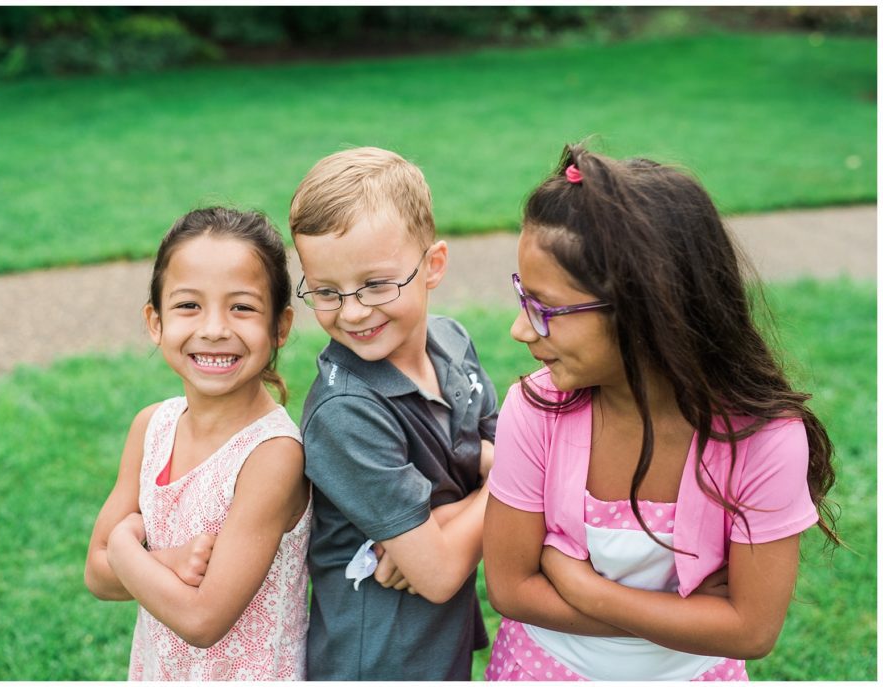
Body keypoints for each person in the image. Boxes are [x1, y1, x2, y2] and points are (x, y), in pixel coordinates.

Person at [483, 144, 839, 682]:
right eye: (522, 298)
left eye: (545, 308)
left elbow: (751, 632)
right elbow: (511, 590)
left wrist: (584, 589)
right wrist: (698, 619)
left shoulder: (764, 439)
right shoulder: (536, 410)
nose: (520, 329)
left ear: (647, 308)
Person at [289, 146, 499, 680]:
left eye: (377, 284)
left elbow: (507, 451)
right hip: (378, 661)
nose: (353, 311)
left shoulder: (453, 343)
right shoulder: (344, 412)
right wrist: (508, 478)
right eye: (326, 292)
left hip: (440, 645)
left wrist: (446, 522)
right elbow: (440, 572)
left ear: (433, 266)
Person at [84, 207, 311, 680]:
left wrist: (125, 548)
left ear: (280, 326)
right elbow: (96, 576)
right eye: (189, 305)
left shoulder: (272, 455)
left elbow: (203, 619)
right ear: (155, 321)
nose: (213, 329)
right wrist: (163, 562)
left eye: (242, 307)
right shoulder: (152, 428)